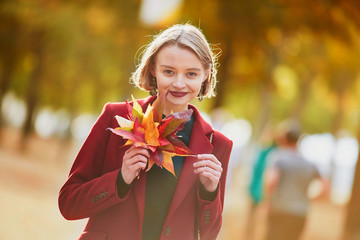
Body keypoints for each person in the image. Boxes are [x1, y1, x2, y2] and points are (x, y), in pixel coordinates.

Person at [58, 23, 233, 240]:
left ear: (206, 74)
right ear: (153, 69)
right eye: (168, 71)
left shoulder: (219, 145)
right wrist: (121, 178)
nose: (179, 83)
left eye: (191, 74)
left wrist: (210, 191)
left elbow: (209, 234)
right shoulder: (116, 117)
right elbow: (69, 203)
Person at [264, 121, 322, 240]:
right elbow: (325, 187)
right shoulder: (309, 163)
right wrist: (310, 199)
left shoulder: (278, 157)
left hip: (279, 210)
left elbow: (271, 182)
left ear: (284, 139)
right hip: (301, 213)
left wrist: (267, 202)